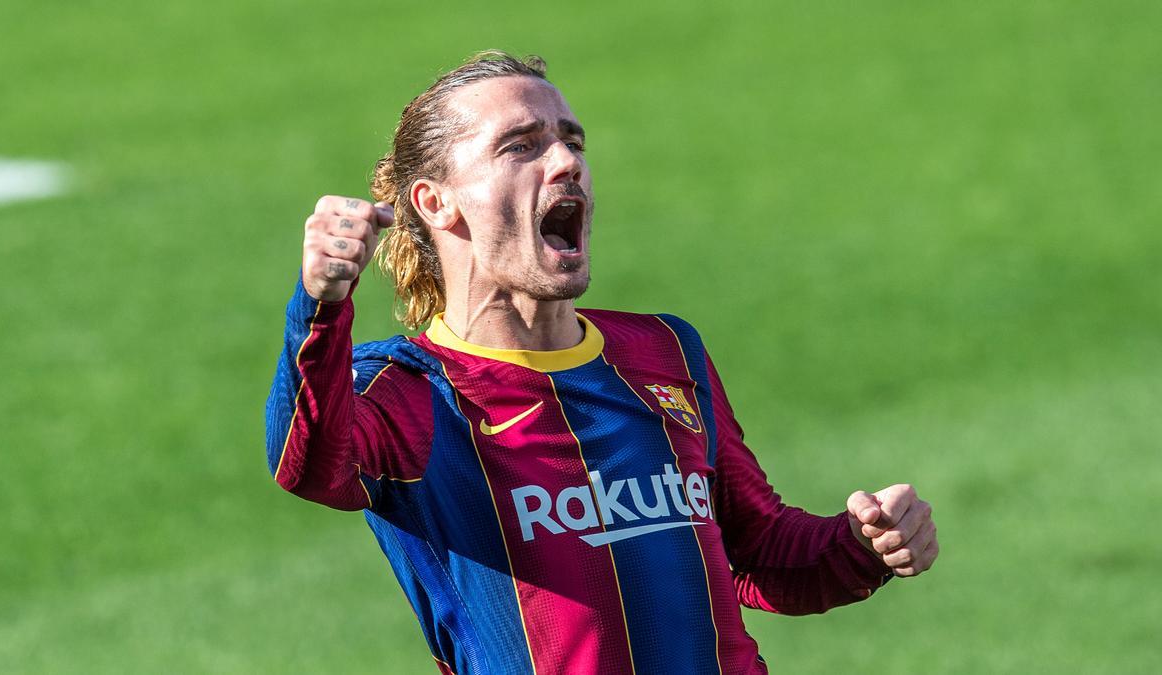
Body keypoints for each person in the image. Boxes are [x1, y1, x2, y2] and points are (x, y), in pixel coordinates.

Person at [265, 51, 938, 675]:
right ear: (435, 200)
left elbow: (757, 551)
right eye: (521, 145)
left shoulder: (664, 353)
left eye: (572, 140)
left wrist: (859, 546)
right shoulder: (409, 392)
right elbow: (305, 464)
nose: (566, 161)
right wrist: (319, 306)